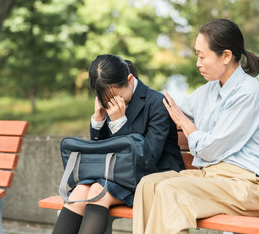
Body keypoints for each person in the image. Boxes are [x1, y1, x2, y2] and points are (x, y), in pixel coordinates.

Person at [133, 19, 259, 234]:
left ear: (226, 56)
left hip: (249, 184)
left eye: (202, 56)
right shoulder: (209, 90)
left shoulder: (249, 94)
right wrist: (131, 88)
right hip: (212, 176)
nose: (198, 63)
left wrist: (185, 123)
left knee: (170, 190)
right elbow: (169, 104)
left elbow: (212, 148)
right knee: (148, 185)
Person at [52, 54, 185, 234]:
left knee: (97, 192)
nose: (114, 103)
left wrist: (120, 123)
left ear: (130, 80)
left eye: (116, 97)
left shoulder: (156, 103)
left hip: (155, 176)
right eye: (107, 100)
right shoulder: (109, 102)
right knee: (79, 191)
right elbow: (101, 153)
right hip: (117, 176)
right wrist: (98, 120)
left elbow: (148, 159)